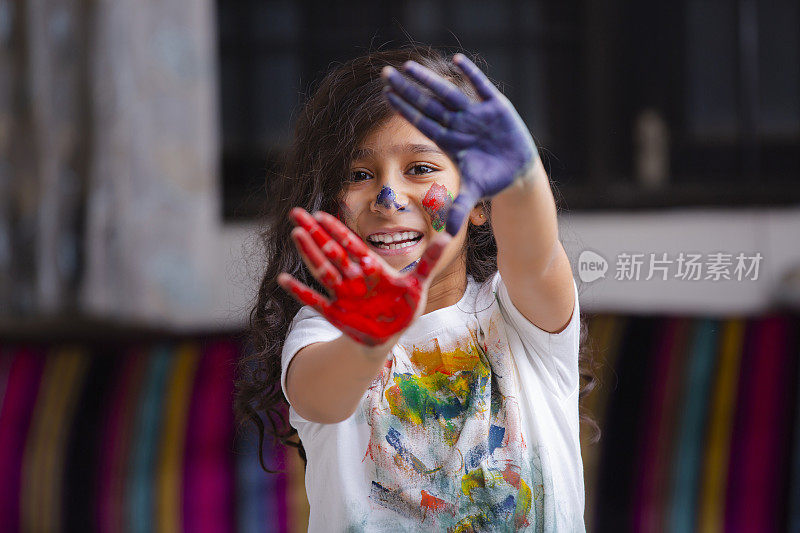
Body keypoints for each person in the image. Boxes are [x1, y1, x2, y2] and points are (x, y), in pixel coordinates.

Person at [235, 45, 598, 532]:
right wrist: (370, 340)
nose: (388, 198)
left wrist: (521, 177)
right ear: (328, 204)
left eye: (420, 169)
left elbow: (536, 255)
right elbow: (320, 399)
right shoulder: (328, 330)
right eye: (359, 175)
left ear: (480, 201)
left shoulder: (520, 315)